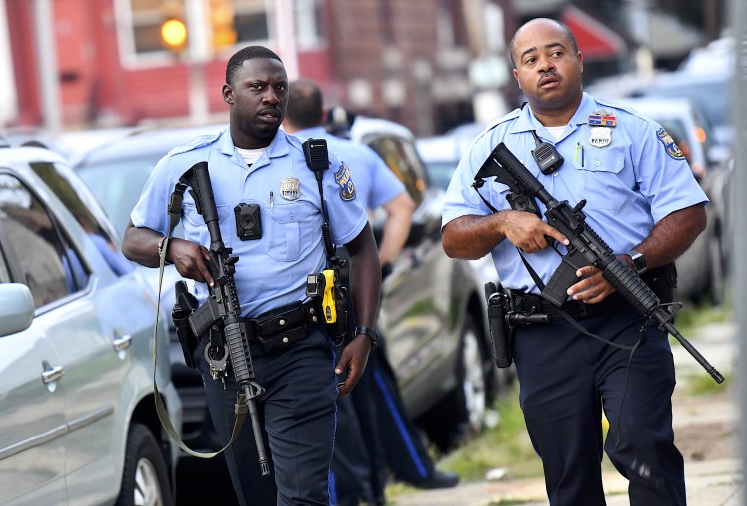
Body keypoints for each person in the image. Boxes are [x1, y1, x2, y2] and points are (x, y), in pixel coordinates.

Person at [441, 18, 707, 506]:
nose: (545, 65)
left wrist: (628, 265)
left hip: (628, 320)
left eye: (556, 52)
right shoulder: (487, 147)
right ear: (516, 76)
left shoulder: (633, 131)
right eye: (531, 59)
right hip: (542, 332)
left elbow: (688, 213)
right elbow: (454, 237)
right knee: (568, 473)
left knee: (644, 448)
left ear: (579, 60)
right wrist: (502, 223)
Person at [122, 46, 381, 506]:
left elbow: (362, 248)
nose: (271, 97)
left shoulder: (316, 167)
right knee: (256, 495)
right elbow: (133, 238)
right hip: (223, 353)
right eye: (257, 87)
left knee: (303, 496)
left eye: (279, 88)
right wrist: (172, 247)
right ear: (228, 94)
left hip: (301, 349)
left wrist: (362, 333)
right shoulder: (183, 164)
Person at [284, 79, 459, 506]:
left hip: (306, 289)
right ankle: (406, 475)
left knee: (325, 392)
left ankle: (354, 491)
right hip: (351, 278)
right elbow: (402, 207)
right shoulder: (357, 153)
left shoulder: (281, 157)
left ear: (284, 116)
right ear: (324, 113)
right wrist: (379, 264)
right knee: (372, 381)